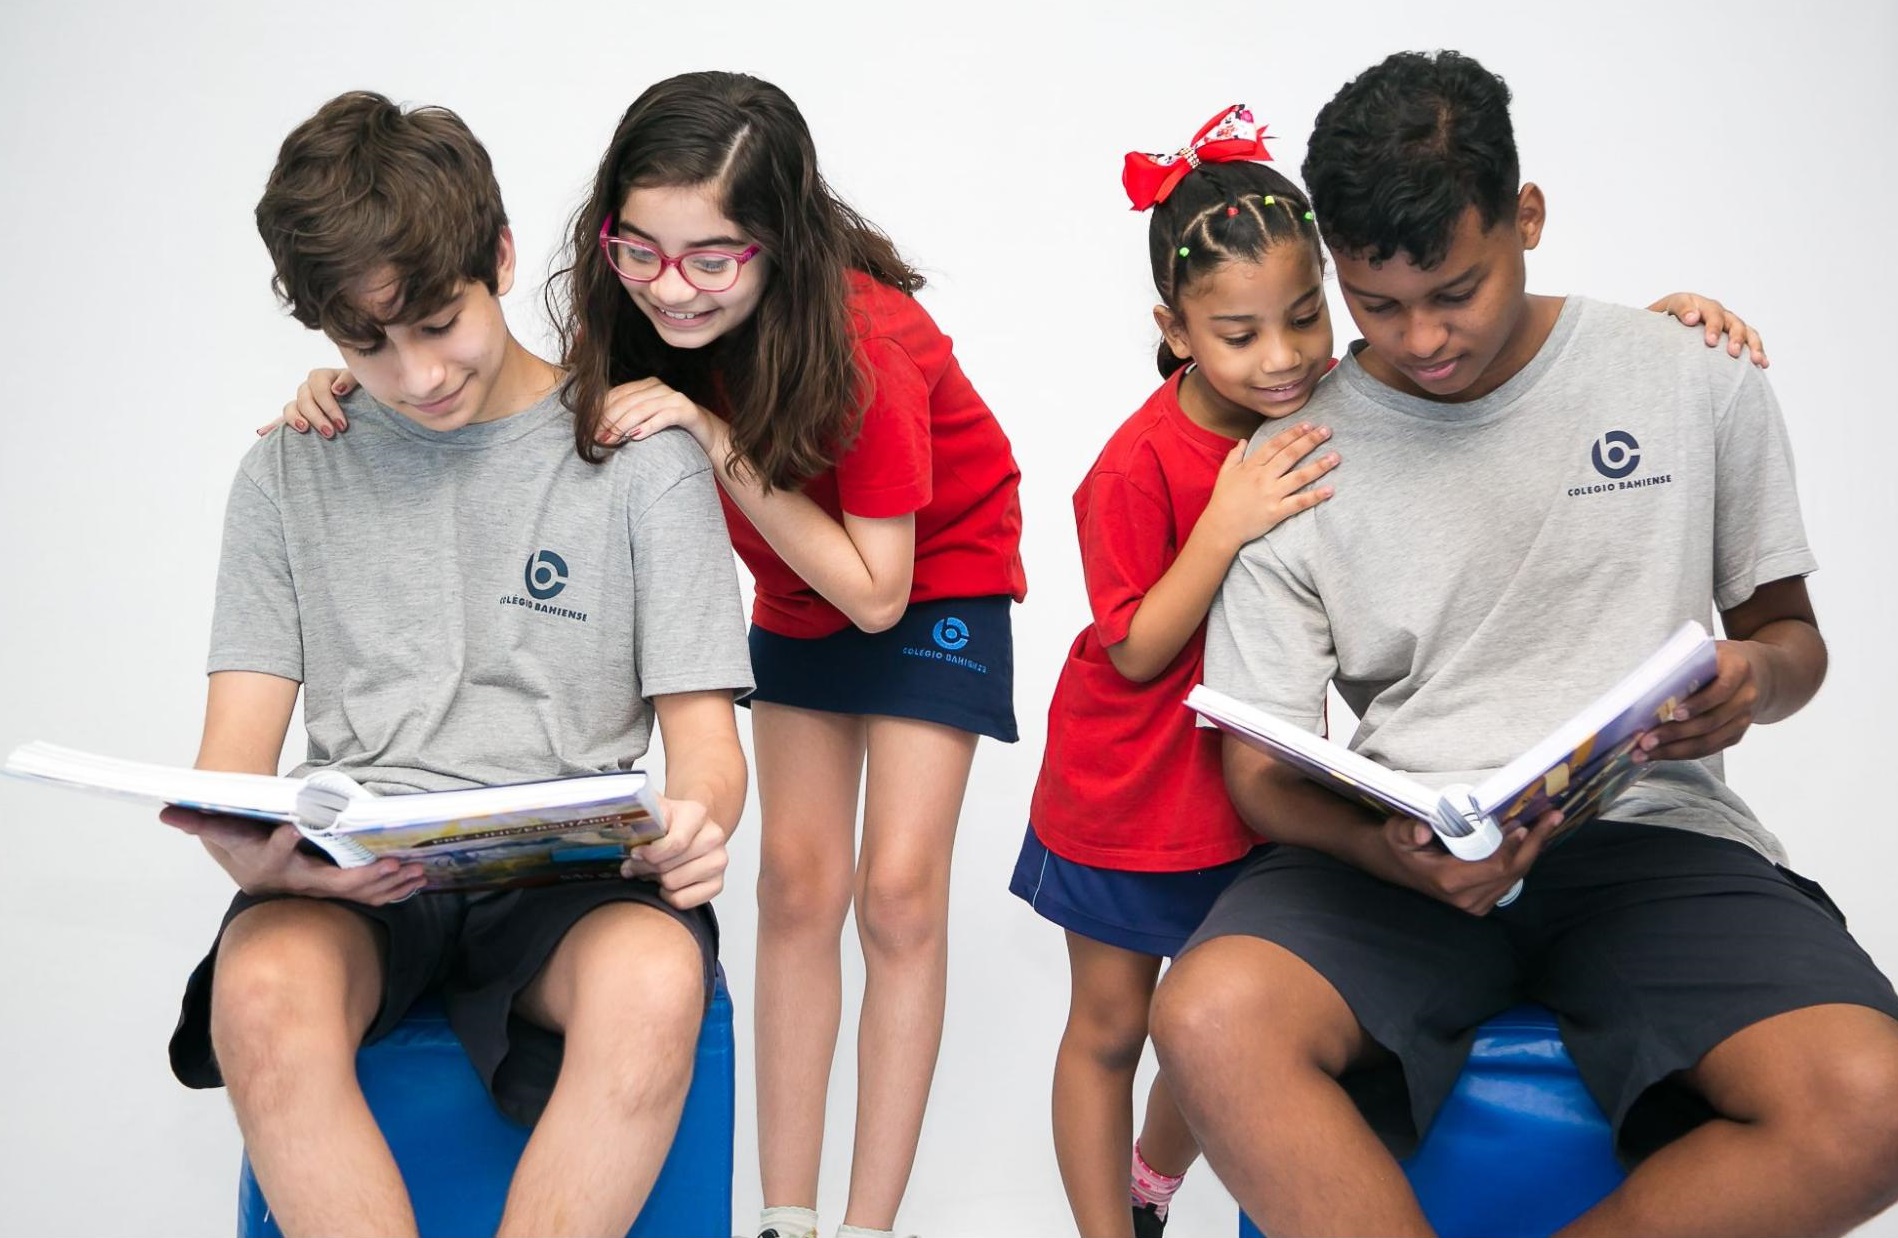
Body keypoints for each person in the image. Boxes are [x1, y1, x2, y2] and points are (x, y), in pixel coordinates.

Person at [1147, 52, 1898, 1238]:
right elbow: (1257, 769)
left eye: (1454, 288)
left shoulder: (1688, 376)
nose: (1422, 338)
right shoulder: (1286, 460)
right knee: (1204, 1013)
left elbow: (1789, 639)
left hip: (1651, 845)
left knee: (1873, 1097)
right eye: (1375, 305)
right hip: (1401, 853)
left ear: (1525, 217)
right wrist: (1394, 855)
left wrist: (1752, 680)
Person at [280, 72, 1026, 1238]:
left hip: (928, 580)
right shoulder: (626, 311)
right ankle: (786, 1211)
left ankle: (868, 1222)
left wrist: (713, 435)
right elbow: (504, 406)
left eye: (712, 258)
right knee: (793, 883)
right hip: (795, 579)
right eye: (642, 251)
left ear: (773, 241)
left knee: (893, 896)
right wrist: (345, 381)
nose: (672, 289)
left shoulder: (870, 337)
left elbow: (877, 595)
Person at [1018, 102, 1774, 1238]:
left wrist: (1662, 337)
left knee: (1205, 1002)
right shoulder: (1191, 460)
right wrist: (1223, 523)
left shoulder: (1324, 408)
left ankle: (1154, 1180)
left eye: (1304, 318)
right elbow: (1130, 647)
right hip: (1132, 779)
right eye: (1239, 334)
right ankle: (1112, 1217)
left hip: (1286, 785)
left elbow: (1540, 364)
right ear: (1175, 330)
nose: (1284, 358)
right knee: (1127, 1018)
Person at [165, 90, 754, 1238]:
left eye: (437, 322)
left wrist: (695, 824)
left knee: (653, 982)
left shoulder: (638, 453)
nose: (415, 373)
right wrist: (265, 859)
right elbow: (231, 765)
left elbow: (706, 755)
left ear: (495, 253)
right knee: (260, 989)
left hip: (571, 885)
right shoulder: (292, 469)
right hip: (359, 879)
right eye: (365, 344)